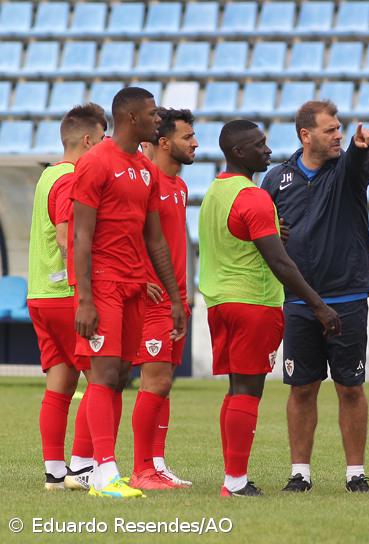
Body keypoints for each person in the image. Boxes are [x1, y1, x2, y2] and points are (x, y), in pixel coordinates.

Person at [199, 119, 340, 498]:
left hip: (219, 300)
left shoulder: (215, 192)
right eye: (260, 145)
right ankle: (236, 481)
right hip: (252, 302)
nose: (269, 150)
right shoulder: (254, 197)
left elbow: (238, 236)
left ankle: (233, 476)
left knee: (235, 390)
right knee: (248, 390)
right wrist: (319, 307)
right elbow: (281, 264)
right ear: (239, 152)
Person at [72, 87, 186, 499]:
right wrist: (83, 297)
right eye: (153, 114)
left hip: (136, 285)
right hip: (102, 283)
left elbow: (155, 239)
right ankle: (103, 473)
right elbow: (81, 236)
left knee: (120, 375)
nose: (158, 121)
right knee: (103, 373)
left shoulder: (144, 168)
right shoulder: (96, 163)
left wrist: (174, 299)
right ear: (132, 118)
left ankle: (106, 469)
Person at [261, 101, 369, 493]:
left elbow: (362, 167)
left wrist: (363, 149)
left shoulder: (345, 170)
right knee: (302, 387)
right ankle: (300, 472)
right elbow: (264, 234)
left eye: (340, 128)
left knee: (350, 387)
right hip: (297, 301)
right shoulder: (277, 179)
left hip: (346, 295)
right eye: (330, 130)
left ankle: (355, 473)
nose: (339, 135)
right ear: (305, 135)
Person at [28, 103, 106, 490]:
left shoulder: (47, 176)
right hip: (65, 295)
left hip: (41, 294)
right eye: (103, 139)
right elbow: (65, 236)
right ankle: (82, 466)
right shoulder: (71, 178)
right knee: (101, 378)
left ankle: (55, 473)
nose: (106, 147)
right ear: (89, 140)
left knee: (60, 383)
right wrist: (87, 288)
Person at [130, 108, 197, 490]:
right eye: (188, 136)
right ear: (163, 142)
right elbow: (123, 232)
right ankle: (141, 470)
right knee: (152, 382)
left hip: (176, 300)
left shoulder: (180, 187)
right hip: (152, 300)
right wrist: (139, 277)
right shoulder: (145, 181)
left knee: (164, 383)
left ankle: (156, 464)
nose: (195, 143)